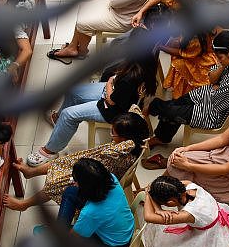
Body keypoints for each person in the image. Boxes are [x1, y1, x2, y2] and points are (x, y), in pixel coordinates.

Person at [26, 53, 157, 166]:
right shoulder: (146, 67)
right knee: (73, 92)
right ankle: (58, 121)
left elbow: (111, 100)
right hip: (117, 95)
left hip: (114, 109)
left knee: (69, 115)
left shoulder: (131, 77)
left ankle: (51, 151)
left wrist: (110, 82)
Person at [3, 111, 149, 211]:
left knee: (56, 184)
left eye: (113, 133)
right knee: (61, 161)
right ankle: (31, 172)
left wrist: (132, 142)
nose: (111, 135)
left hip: (94, 176)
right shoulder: (127, 142)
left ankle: (24, 205)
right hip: (93, 162)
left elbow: (109, 153)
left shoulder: (124, 150)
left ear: (126, 139)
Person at [146, 30, 229, 148]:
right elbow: (212, 80)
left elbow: (218, 105)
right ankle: (161, 136)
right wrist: (220, 71)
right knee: (173, 105)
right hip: (207, 95)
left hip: (211, 114)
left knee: (168, 110)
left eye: (220, 57)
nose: (218, 60)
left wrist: (215, 87)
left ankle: (153, 116)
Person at [26, 158, 135, 247]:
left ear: (87, 187)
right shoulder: (110, 178)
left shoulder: (91, 212)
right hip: (122, 230)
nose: (74, 182)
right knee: (70, 192)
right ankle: (58, 234)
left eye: (76, 180)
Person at [132, 0, 218, 99]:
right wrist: (140, 12)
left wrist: (160, 46)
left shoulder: (197, 39)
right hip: (187, 46)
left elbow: (181, 53)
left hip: (199, 59)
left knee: (178, 63)